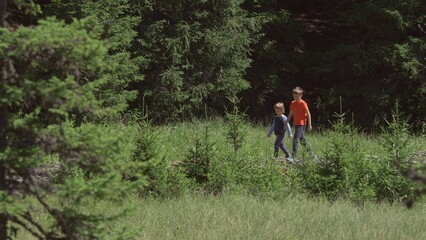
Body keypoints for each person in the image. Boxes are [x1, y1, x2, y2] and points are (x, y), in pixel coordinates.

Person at [287, 87, 317, 161]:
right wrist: (286, 122)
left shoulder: (303, 103)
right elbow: (290, 113)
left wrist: (309, 125)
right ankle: (312, 155)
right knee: (303, 141)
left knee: (295, 139)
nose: (296, 98)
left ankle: (293, 156)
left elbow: (308, 114)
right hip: (296, 124)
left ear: (301, 95)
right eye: (294, 96)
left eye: (297, 97)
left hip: (302, 124)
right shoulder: (293, 103)